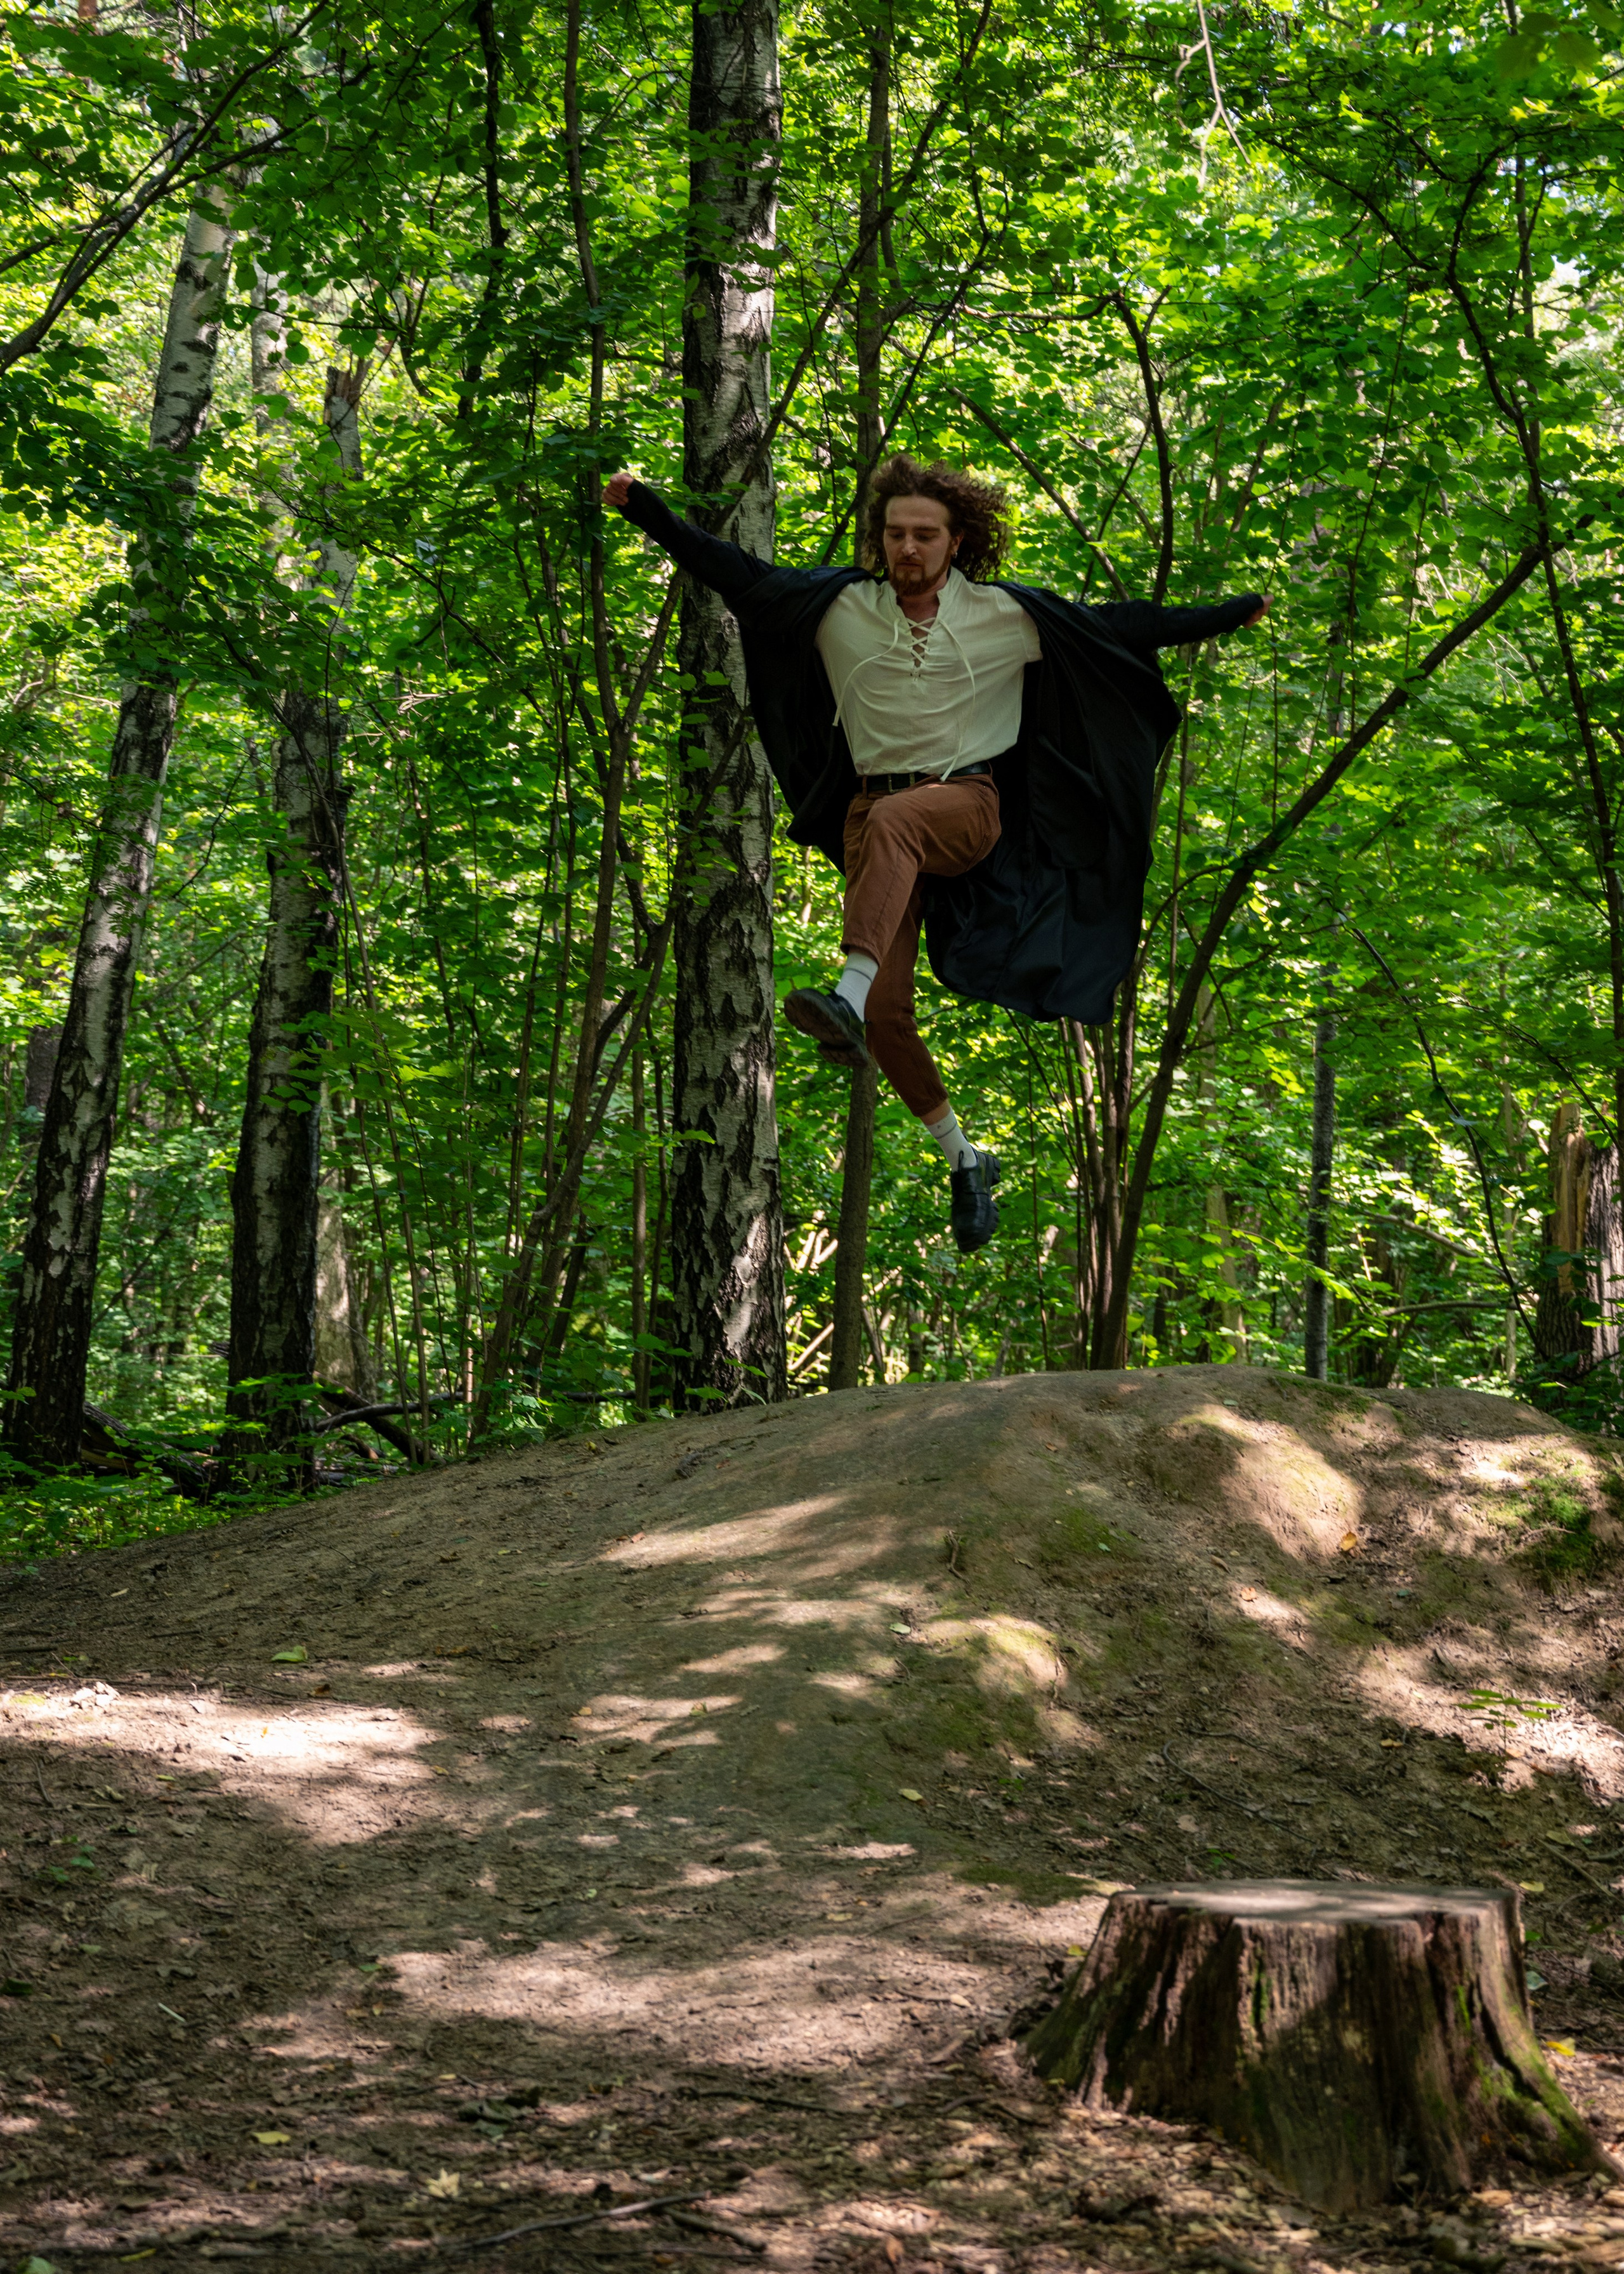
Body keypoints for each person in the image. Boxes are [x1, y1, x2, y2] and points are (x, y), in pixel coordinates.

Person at [602, 457, 1267, 1254]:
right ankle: (964, 1155)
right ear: (879, 541)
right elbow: (735, 573)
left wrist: (1228, 614)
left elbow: (1119, 625)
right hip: (869, 816)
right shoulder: (840, 608)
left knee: (899, 824)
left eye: (925, 535)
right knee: (887, 1016)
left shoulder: (1001, 616)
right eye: (895, 534)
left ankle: (843, 992)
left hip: (965, 805)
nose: (908, 548)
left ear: (957, 542)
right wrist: (646, 510)